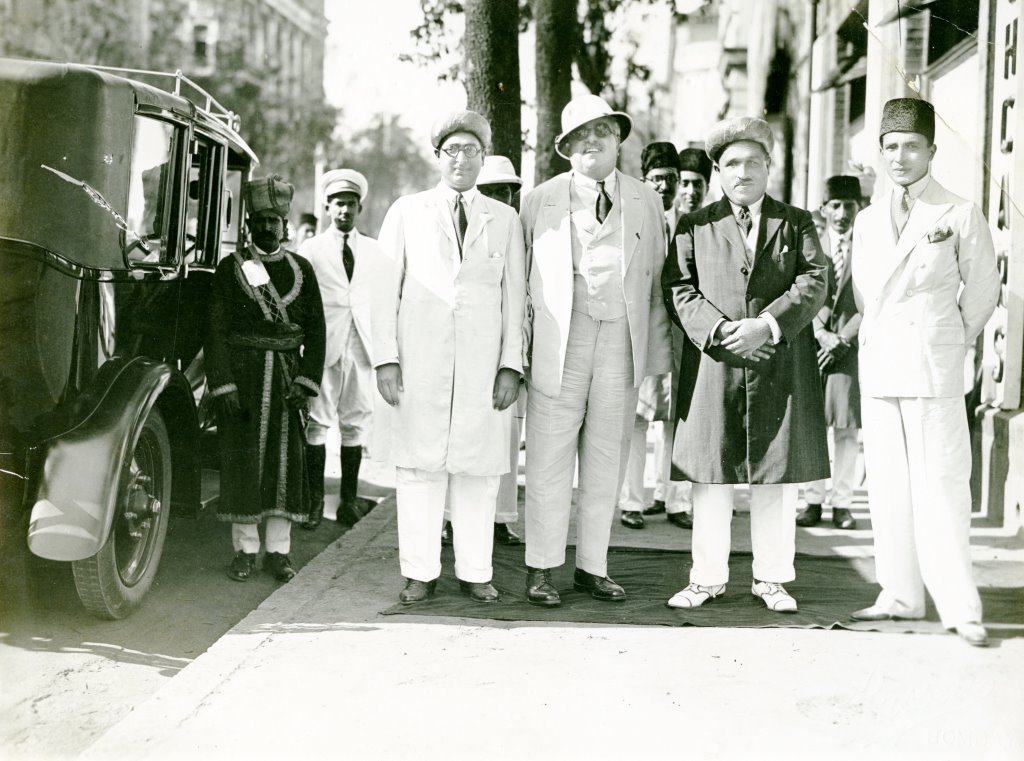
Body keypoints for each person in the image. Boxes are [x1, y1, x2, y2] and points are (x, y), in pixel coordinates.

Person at [661, 116, 829, 613]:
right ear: (717, 170)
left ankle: (772, 578)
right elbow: (679, 286)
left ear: (769, 166)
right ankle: (707, 577)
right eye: (731, 162)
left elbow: (815, 278)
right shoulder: (696, 224)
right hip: (715, 361)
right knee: (711, 474)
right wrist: (721, 331)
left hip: (778, 358)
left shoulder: (796, 222)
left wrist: (768, 325)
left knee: (775, 474)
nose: (743, 171)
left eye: (753, 161)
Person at [849, 97, 999, 647]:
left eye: (912, 146)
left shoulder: (958, 212)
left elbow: (982, 289)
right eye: (891, 147)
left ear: (932, 151)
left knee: (941, 487)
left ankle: (961, 607)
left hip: (933, 364)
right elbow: (866, 293)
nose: (901, 156)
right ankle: (900, 594)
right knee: (887, 488)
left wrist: (950, 337)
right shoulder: (867, 221)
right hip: (883, 363)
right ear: (881, 153)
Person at [520, 94, 672, 607]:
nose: (592, 140)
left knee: (608, 456)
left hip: (621, 341)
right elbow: (518, 285)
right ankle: (541, 568)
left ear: (618, 139)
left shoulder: (646, 200)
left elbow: (656, 282)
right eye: (581, 133)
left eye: (602, 130)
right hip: (560, 339)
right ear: (565, 147)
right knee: (547, 458)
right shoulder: (540, 200)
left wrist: (655, 361)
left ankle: (593, 566)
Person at [372, 110, 526, 605]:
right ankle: (420, 571)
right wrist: (386, 358)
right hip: (420, 361)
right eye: (452, 150)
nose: (462, 159)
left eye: (472, 150)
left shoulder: (503, 218)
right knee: (419, 470)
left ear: (484, 158)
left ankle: (476, 570)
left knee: (479, 473)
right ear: (438, 157)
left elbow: (516, 296)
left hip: (484, 367)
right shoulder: (406, 211)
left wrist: (511, 365)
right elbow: (383, 293)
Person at [206, 174, 326, 583]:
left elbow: (318, 333)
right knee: (242, 465)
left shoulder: (302, 270)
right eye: (260, 219)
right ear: (248, 224)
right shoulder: (230, 269)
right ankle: (245, 550)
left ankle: (279, 553)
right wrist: (223, 383)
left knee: (285, 467)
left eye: (274, 220)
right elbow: (215, 331)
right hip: (243, 383)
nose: (267, 227)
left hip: (288, 384)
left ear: (285, 225)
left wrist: (306, 382)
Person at [441, 154, 526, 547]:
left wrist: (515, 359)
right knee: (455, 437)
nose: (504, 197)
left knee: (505, 437)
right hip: (462, 353)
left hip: (512, 350)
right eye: (495, 191)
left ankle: (499, 517)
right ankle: (446, 518)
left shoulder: (521, 229)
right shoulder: (458, 230)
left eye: (510, 191)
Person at [297, 169, 381, 530]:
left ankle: (347, 502)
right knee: (317, 423)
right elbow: (300, 300)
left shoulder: (375, 250)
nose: (344, 210)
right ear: (327, 207)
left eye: (350, 204)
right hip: (323, 346)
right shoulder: (311, 249)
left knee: (355, 424)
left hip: (361, 348)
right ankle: (315, 503)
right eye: (338, 204)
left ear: (359, 207)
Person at [619, 141, 692, 531]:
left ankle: (676, 500)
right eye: (658, 179)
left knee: (676, 419)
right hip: (642, 329)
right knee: (637, 419)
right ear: (645, 180)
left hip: (680, 334)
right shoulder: (632, 217)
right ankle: (632, 500)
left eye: (672, 180)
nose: (665, 187)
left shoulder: (691, 222)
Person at [796, 175, 864, 531]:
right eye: (834, 206)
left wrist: (844, 338)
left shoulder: (868, 245)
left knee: (846, 428)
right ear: (823, 209)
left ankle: (842, 502)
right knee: (812, 425)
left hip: (849, 348)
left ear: (859, 207)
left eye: (848, 206)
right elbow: (804, 292)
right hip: (813, 345)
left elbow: (872, 297)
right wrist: (820, 332)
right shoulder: (812, 244)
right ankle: (812, 500)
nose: (841, 214)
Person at [675, 146, 713, 214]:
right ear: (677, 186)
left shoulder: (716, 222)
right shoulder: (667, 222)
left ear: (707, 189)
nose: (691, 192)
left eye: (697, 185)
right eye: (684, 184)